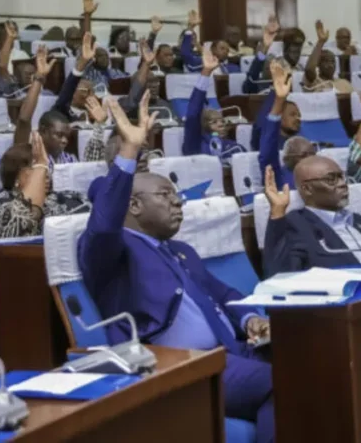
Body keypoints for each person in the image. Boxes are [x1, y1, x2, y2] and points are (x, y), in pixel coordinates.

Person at [78, 96, 275, 443]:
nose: (178, 201)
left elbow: (224, 294)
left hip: (231, 352)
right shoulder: (111, 251)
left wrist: (250, 319)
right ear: (134, 205)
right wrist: (129, 152)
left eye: (176, 195)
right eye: (166, 195)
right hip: (178, 366)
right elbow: (104, 222)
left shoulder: (181, 250)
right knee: (281, 383)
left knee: (316, 353)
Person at [262, 156, 361, 274]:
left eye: (341, 177)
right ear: (307, 189)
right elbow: (280, 275)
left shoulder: (356, 220)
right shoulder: (297, 223)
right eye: (331, 179)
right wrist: (278, 211)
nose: (343, 184)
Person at [0, 133, 88, 240]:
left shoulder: (64, 195)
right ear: (16, 176)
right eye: (35, 167)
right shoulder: (2, 204)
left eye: (46, 168)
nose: (45, 173)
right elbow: (18, 225)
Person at [182, 46, 245, 163]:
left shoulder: (233, 146)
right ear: (203, 126)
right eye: (214, 122)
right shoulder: (194, 144)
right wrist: (206, 72)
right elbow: (192, 114)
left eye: (222, 121)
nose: (221, 124)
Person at [259, 63, 309, 189]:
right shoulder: (280, 176)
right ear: (287, 159)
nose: (298, 118)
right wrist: (279, 100)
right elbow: (267, 152)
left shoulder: (318, 174)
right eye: (292, 114)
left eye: (312, 155)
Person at [0, 21, 51, 99]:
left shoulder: (47, 93)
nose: (29, 76)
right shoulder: (12, 90)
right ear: (16, 77)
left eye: (31, 74)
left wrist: (40, 74)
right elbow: (2, 66)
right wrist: (10, 38)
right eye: (26, 73)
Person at [51, 32, 98, 122]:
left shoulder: (97, 115)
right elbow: (67, 92)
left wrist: (100, 122)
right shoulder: (62, 111)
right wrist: (82, 62)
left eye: (92, 92)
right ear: (72, 92)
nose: (91, 96)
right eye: (85, 91)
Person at [303, 20, 353, 93]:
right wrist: (321, 42)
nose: (330, 65)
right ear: (318, 64)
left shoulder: (344, 83)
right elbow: (309, 70)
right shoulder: (314, 81)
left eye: (333, 62)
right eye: (326, 61)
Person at [242, 18, 282, 94]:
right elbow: (256, 67)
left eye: (274, 67)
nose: (271, 69)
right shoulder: (254, 83)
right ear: (263, 69)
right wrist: (265, 48)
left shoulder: (283, 86)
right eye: (268, 67)